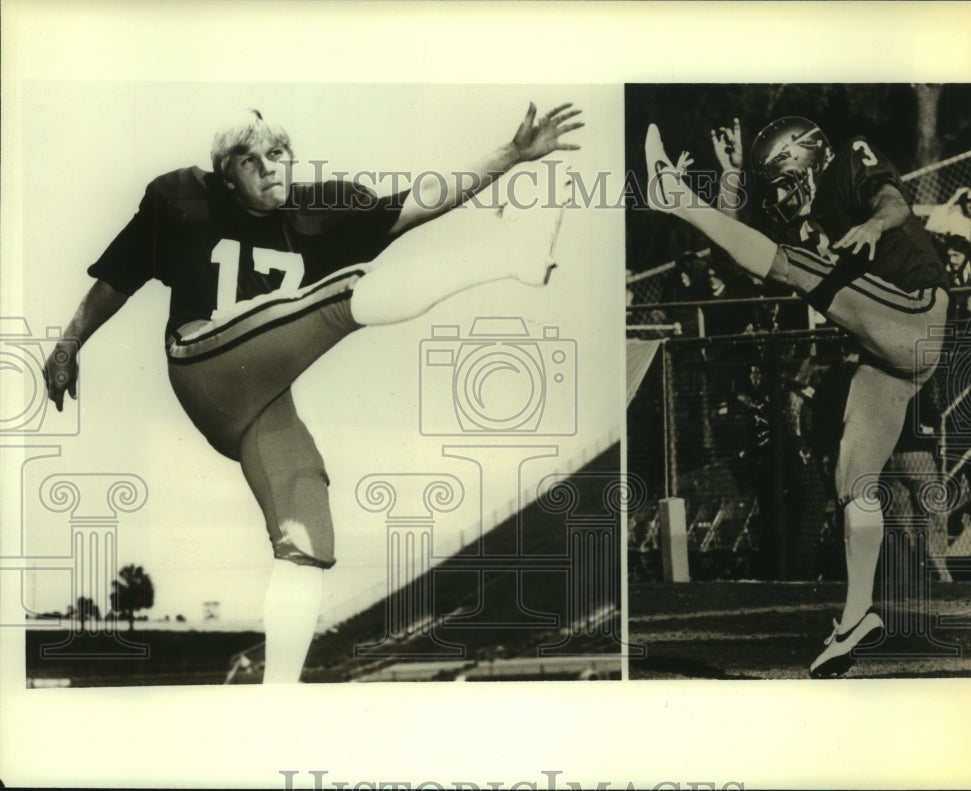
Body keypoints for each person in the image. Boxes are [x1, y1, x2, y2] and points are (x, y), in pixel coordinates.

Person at [42, 102, 583, 683]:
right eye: (249, 161)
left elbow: (417, 204)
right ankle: (507, 256)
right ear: (227, 177)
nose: (267, 169)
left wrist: (512, 154)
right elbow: (118, 277)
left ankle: (279, 697)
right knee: (344, 294)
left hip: (263, 405)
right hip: (204, 368)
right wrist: (69, 344)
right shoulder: (185, 200)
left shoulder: (319, 210)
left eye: (276, 155)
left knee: (306, 536)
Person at [645, 116, 950, 678]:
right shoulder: (803, 219)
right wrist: (733, 176)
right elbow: (748, 246)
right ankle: (858, 616)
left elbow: (893, 203)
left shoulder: (847, 167)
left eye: (783, 182)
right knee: (853, 483)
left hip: (915, 317)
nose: (780, 198)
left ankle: (677, 199)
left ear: (807, 165)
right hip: (885, 352)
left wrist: (875, 228)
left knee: (796, 265)